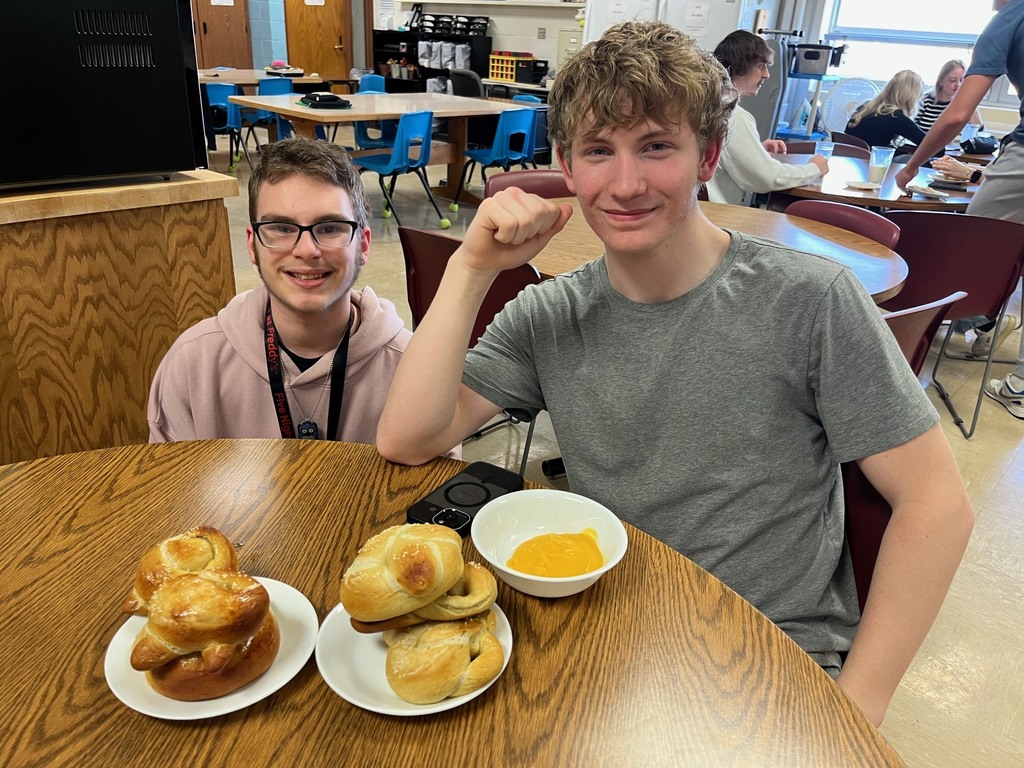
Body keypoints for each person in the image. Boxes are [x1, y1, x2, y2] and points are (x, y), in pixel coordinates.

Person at [378, 21, 974, 726]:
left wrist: (856, 710)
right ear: (567, 165)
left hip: (770, 657)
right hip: (611, 635)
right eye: (599, 150)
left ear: (707, 155)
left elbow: (937, 505)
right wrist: (471, 269)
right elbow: (408, 438)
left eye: (656, 146)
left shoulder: (810, 300)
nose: (625, 184)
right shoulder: (548, 314)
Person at [149, 137, 414, 444]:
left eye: (330, 228)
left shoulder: (412, 370)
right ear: (252, 244)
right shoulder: (193, 365)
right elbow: (174, 488)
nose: (306, 250)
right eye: (281, 228)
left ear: (363, 245)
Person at [895, 0, 1024, 416]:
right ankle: (1017, 378)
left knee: (975, 247)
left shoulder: (1010, 17)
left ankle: (970, 325)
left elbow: (958, 115)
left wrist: (913, 165)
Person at [704, 30, 828, 206]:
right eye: (761, 66)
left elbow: (720, 159)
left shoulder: (706, 104)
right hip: (719, 219)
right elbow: (768, 178)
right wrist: (814, 169)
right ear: (740, 66)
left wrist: (756, 150)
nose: (767, 75)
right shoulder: (733, 115)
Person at [844, 69, 927, 152]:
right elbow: (926, 143)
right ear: (912, 96)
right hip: (870, 161)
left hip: (847, 158)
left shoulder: (864, 108)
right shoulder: (895, 117)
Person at [914, 59, 985, 133]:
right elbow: (912, 130)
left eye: (962, 80)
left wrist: (972, 108)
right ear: (941, 81)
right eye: (953, 80)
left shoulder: (964, 105)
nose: (958, 84)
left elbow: (979, 131)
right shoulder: (925, 101)